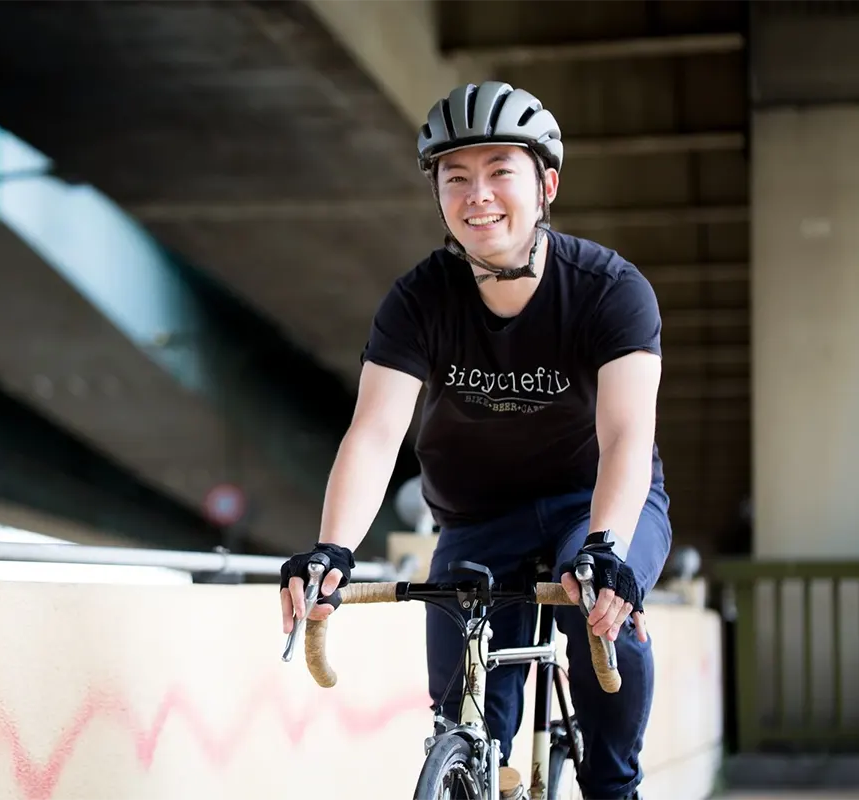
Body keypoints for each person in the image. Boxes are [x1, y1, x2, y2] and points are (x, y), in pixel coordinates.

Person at [278, 80, 672, 800]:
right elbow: (373, 432)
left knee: (601, 613)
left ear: (546, 184)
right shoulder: (419, 300)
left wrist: (607, 550)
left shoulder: (611, 290)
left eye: (500, 173)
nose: (477, 195)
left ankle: (615, 785)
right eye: (456, 178)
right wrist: (333, 549)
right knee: (466, 724)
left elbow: (624, 437)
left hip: (596, 501)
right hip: (476, 518)